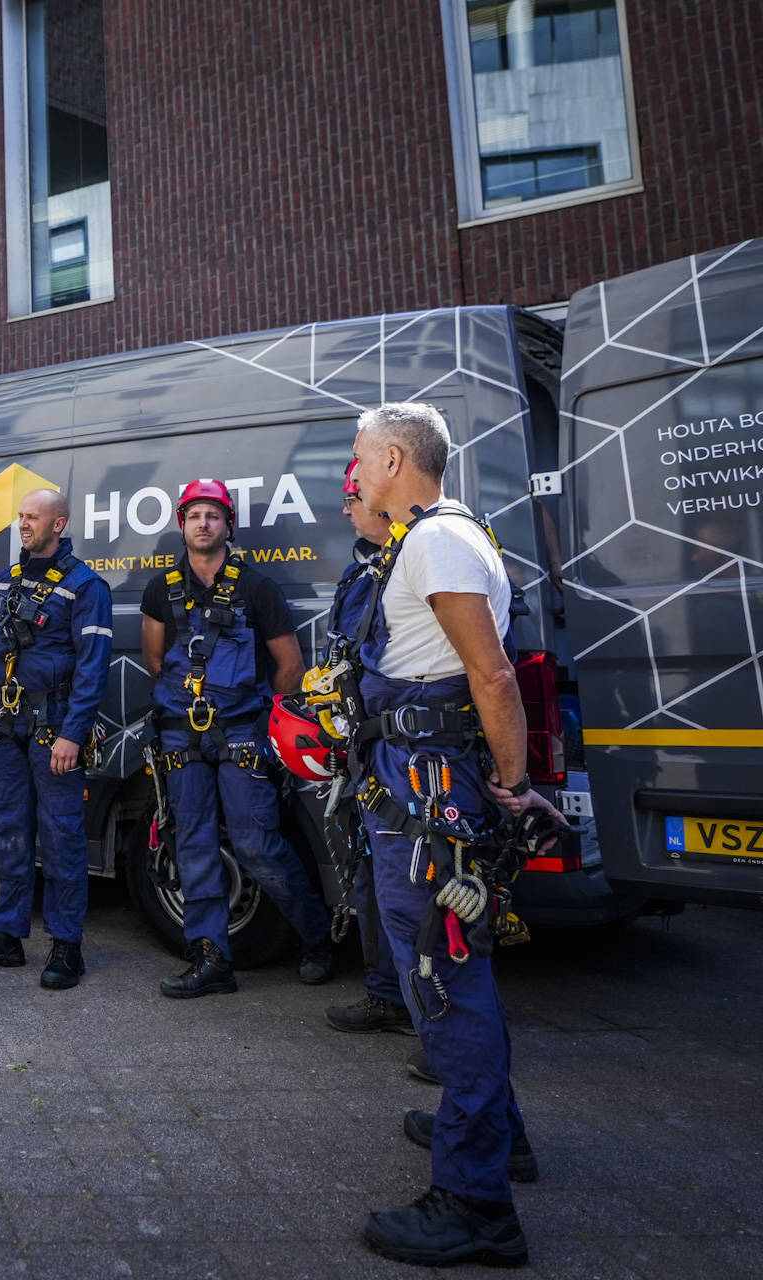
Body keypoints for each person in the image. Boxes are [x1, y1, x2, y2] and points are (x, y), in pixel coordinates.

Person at [347, 402, 561, 1267]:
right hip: (424, 779)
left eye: (361, 460)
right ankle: (496, 1134)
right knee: (452, 966)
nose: (355, 475)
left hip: (429, 787)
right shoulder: (445, 533)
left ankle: (476, 1204)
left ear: (396, 458)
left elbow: (492, 676)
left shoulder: (435, 539)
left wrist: (511, 789)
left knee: (441, 976)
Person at [141, 478, 334, 998]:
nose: (203, 524)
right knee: (194, 846)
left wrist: (251, 716)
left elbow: (290, 666)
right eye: (194, 515)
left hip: (243, 735)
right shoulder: (162, 589)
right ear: (181, 524)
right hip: (183, 739)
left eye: (213, 515)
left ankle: (318, 937)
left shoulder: (256, 587)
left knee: (256, 845)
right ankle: (210, 958)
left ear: (228, 525)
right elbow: (155, 660)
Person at [0, 488, 112, 990]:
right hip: (7, 727)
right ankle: (6, 934)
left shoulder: (87, 587)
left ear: (58, 524)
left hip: (53, 731)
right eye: (20, 516)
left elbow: (92, 669)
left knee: (62, 837)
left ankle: (67, 945)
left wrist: (73, 734)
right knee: (9, 832)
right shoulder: (6, 581)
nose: (23, 525)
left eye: (33, 517)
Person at [310, 462, 415, 1036]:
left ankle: (440, 1026)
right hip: (366, 749)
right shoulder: (361, 575)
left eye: (352, 497)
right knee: (372, 875)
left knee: (421, 888)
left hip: (414, 751)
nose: (346, 510)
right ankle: (386, 996)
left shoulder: (423, 559)